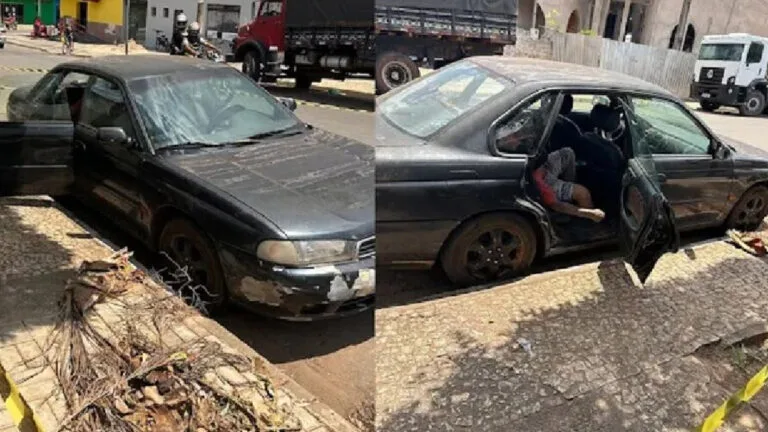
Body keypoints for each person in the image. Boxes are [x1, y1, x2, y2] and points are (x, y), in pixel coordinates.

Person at [533, 147, 606, 223]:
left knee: (567, 153)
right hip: (544, 178)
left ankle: (570, 191)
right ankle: (588, 222)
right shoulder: (538, 183)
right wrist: (590, 213)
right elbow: (556, 205)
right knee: (582, 193)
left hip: (542, 166)